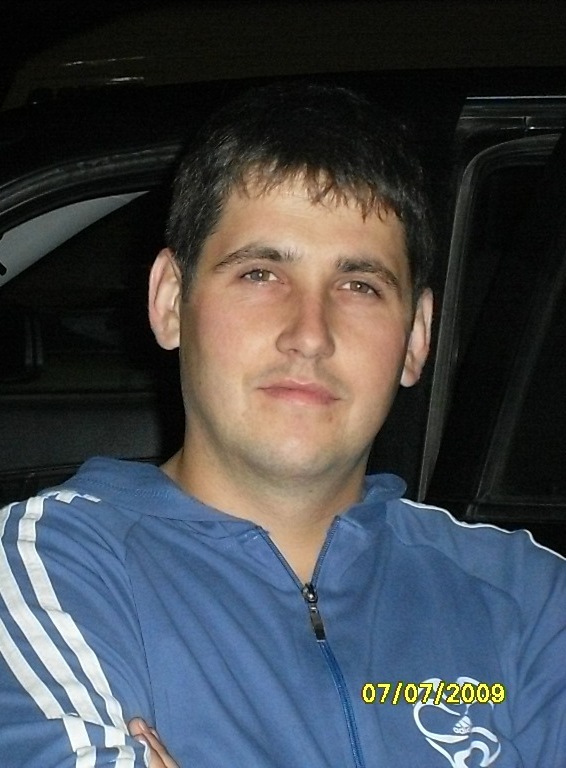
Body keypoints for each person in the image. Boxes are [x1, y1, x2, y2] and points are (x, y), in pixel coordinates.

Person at [0, 81, 565, 768]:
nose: (310, 334)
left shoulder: (529, 600)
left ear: (416, 337)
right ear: (171, 300)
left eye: (359, 286)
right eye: (261, 274)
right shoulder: (49, 572)